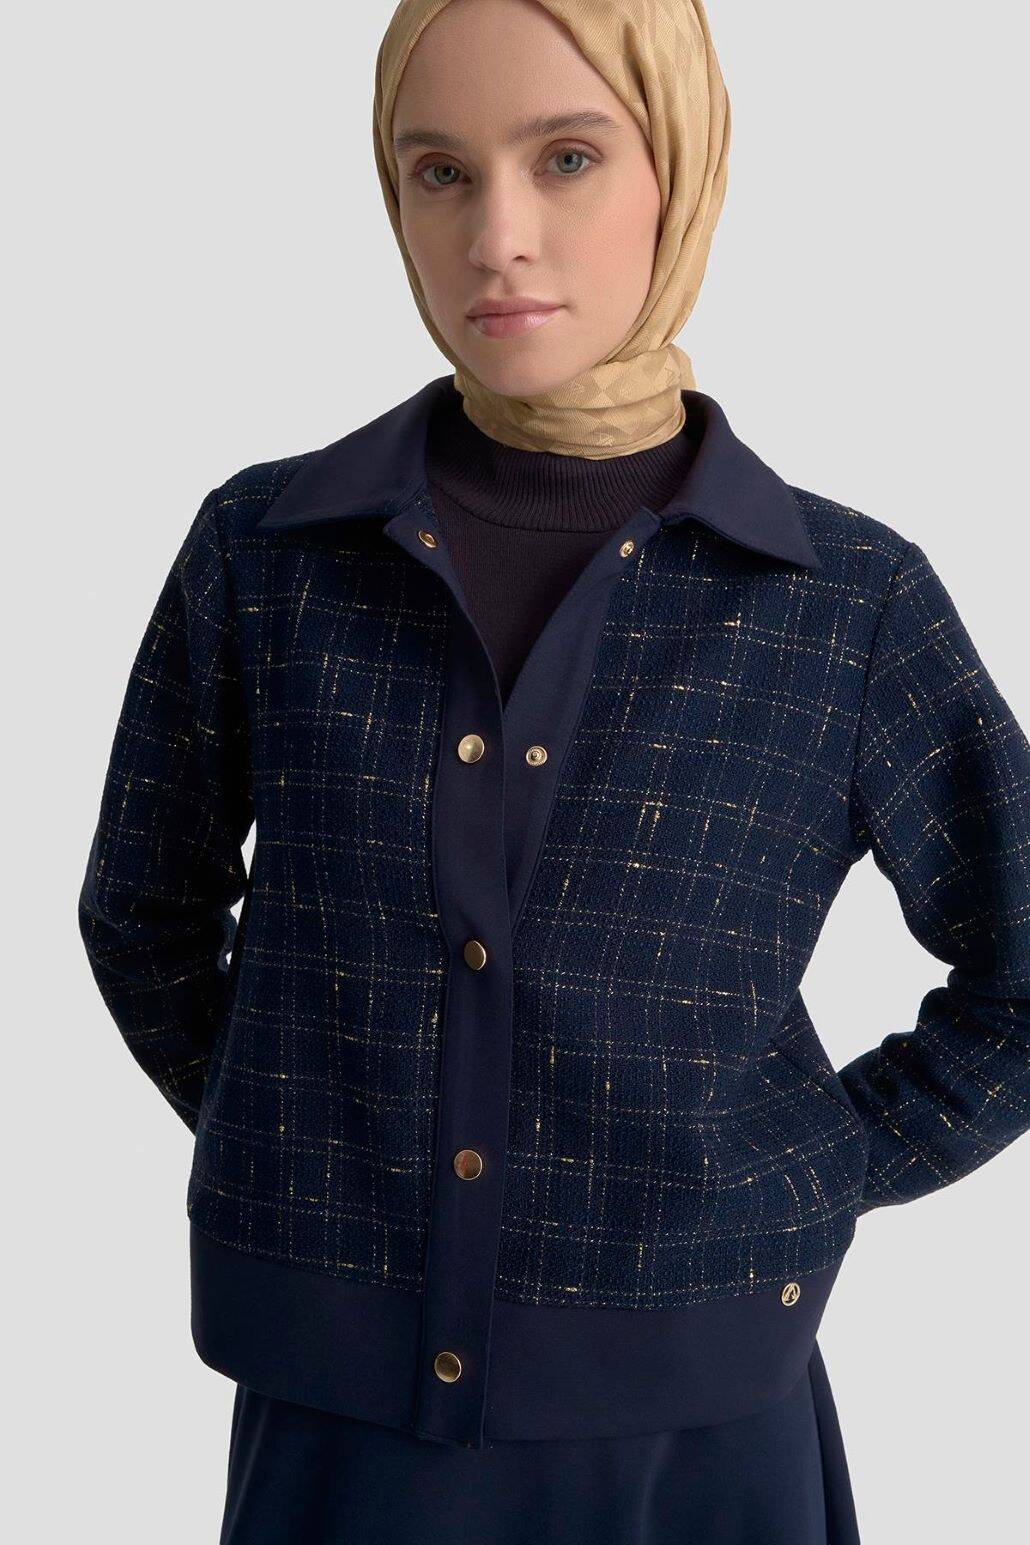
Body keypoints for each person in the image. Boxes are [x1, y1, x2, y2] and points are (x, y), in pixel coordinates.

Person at [77, 2, 1030, 1541]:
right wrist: (306, 1135)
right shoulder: (266, 553)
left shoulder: (841, 599)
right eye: (439, 172)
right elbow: (144, 910)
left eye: (566, 158)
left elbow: (1022, 959)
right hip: (341, 1427)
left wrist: (810, 1170)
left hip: (699, 1433)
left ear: (681, 170)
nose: (496, 235)